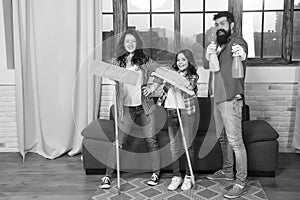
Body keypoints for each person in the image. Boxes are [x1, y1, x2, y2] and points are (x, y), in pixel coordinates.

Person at [100, 29, 161, 189]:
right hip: (125, 108)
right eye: (127, 41)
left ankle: (156, 173)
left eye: (133, 41)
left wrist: (153, 87)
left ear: (138, 43)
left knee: (151, 140)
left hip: (144, 106)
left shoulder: (145, 60)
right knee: (118, 142)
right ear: (123, 44)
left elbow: (161, 74)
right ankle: (107, 176)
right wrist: (113, 76)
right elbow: (111, 77)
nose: (130, 44)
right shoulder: (116, 62)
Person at [205, 11, 248, 199]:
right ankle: (227, 171)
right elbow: (214, 70)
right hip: (217, 99)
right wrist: (210, 53)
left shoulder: (236, 42)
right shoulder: (218, 47)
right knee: (223, 138)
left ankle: (240, 182)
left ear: (231, 25)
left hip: (231, 100)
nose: (220, 27)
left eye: (223, 23)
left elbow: (242, 52)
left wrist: (243, 54)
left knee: (236, 142)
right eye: (217, 24)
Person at [157, 49, 199, 191]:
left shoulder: (193, 76)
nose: (180, 62)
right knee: (174, 147)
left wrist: (175, 79)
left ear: (189, 62)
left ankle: (188, 176)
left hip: (185, 112)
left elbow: (189, 86)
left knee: (188, 146)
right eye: (178, 60)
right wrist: (168, 78)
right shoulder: (170, 74)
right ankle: (176, 176)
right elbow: (164, 91)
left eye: (183, 60)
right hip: (171, 110)